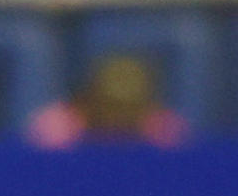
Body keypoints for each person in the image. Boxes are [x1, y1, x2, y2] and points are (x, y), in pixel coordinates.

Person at [27, 54, 188, 147]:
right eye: (110, 105)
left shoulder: (163, 130)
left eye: (125, 107)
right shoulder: (59, 129)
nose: (117, 116)